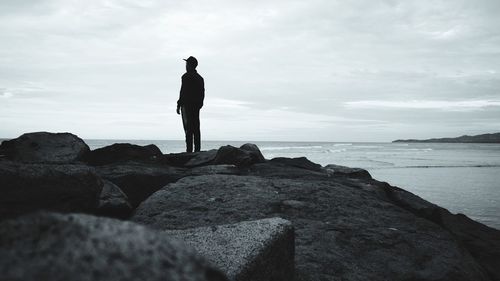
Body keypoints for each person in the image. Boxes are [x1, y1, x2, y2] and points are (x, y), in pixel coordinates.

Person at [176, 56, 205, 152]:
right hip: (196, 106)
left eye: (187, 64)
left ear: (190, 65)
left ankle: (189, 151)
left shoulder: (186, 76)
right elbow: (202, 92)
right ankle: (197, 150)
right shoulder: (200, 78)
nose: (186, 66)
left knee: (188, 128)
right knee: (196, 128)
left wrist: (179, 104)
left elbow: (183, 91)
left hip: (187, 105)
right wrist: (200, 104)